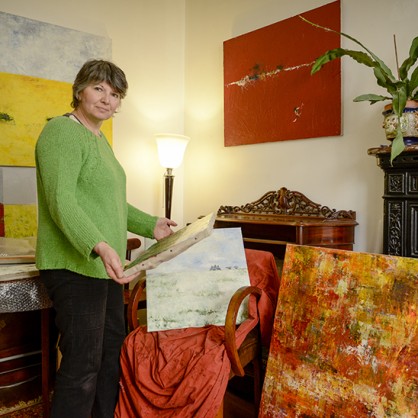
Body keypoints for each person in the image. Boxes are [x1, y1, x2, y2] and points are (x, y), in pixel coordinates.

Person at [35, 59, 176, 418]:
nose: (106, 99)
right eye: (98, 88)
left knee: (110, 354)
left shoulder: (100, 140)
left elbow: (113, 204)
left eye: (115, 94)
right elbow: (61, 202)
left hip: (107, 269)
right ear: (79, 90)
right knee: (83, 363)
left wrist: (151, 225)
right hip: (75, 266)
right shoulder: (61, 132)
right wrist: (99, 245)